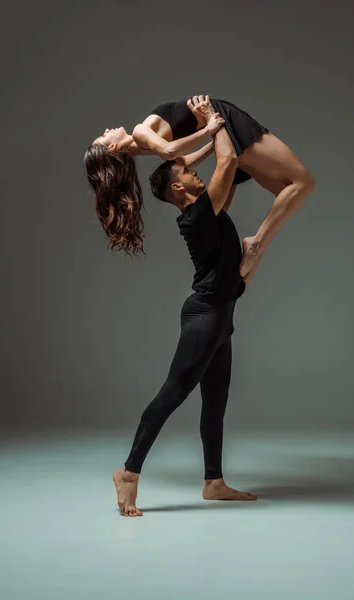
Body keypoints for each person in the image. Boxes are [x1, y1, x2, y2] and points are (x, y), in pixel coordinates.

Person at [111, 113, 258, 517]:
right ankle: (128, 471)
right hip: (205, 316)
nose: (197, 173)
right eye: (190, 171)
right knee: (174, 392)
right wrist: (217, 120)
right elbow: (227, 165)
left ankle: (214, 482)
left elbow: (231, 169)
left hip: (220, 316)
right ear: (179, 186)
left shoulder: (206, 209)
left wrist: (213, 140)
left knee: (216, 399)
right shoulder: (197, 216)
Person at [85, 95, 315, 283]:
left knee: (291, 191)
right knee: (301, 184)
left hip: (219, 126)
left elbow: (183, 160)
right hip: (219, 119)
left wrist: (215, 141)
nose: (107, 129)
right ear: (113, 148)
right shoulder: (139, 132)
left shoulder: (141, 145)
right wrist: (210, 130)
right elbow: (170, 152)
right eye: (104, 136)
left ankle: (254, 248)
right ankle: (256, 245)